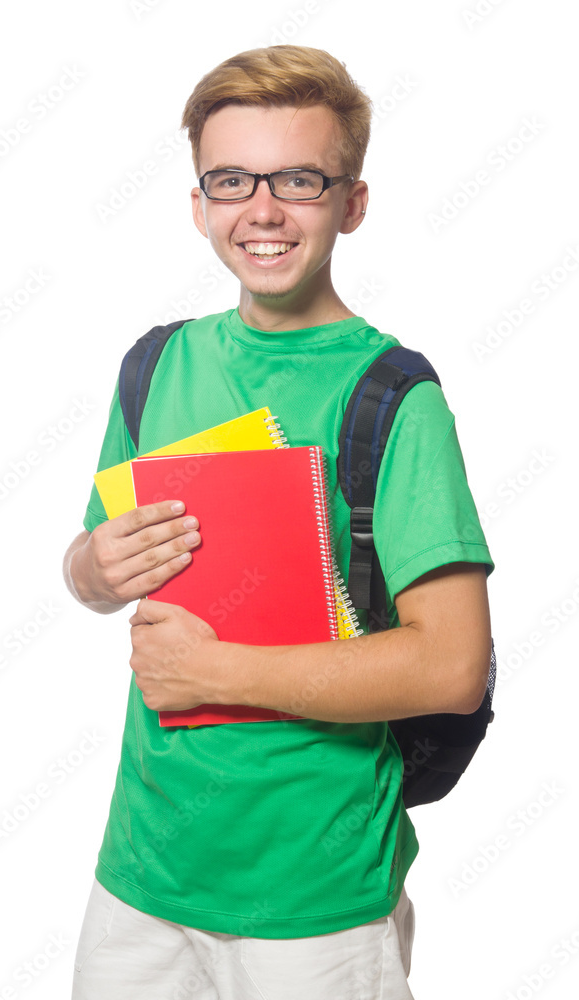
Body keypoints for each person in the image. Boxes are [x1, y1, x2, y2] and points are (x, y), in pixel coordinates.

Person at [63, 44, 494, 1000]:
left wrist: (215, 672)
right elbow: (90, 571)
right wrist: (92, 568)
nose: (262, 210)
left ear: (352, 203)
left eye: (298, 179)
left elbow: (452, 668)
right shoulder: (154, 364)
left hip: (318, 901)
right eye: (231, 180)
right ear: (199, 204)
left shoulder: (393, 397)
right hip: (140, 878)